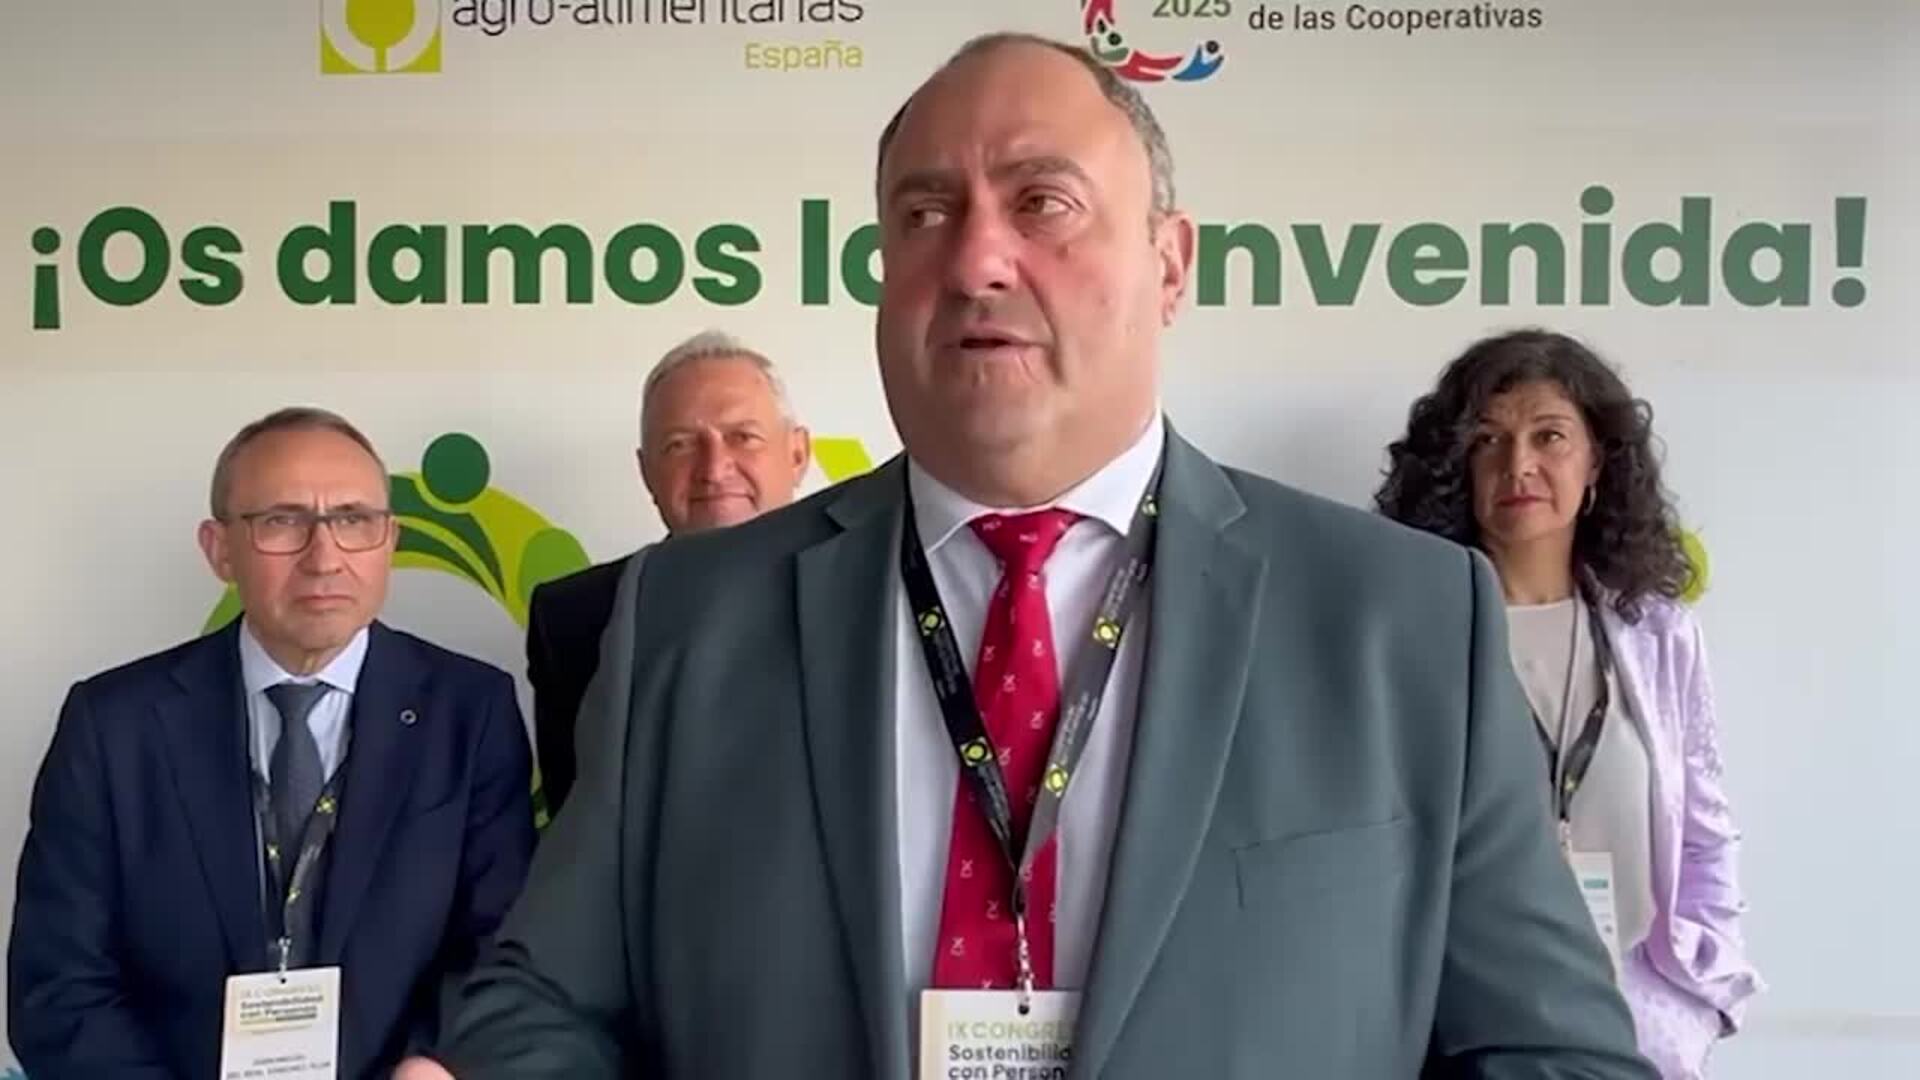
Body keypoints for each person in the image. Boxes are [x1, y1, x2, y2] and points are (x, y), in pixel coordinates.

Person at [398, 33, 1654, 1078]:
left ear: (1170, 262)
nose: (976, 258)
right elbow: (541, 1004)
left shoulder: (1402, 619)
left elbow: (1552, 1052)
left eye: (1042, 202)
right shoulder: (690, 617)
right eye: (925, 213)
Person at [7, 407, 535, 1079]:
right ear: (219, 549)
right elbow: (58, 984)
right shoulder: (114, 725)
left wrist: (434, 1063)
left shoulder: (470, 710)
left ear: (390, 540)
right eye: (283, 521)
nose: (324, 558)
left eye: (353, 520)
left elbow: (499, 945)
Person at [1374, 329, 1763, 1077]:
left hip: (1639, 1029)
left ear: (1596, 466)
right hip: (1463, 1031)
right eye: (1488, 439)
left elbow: (1704, 833)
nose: (1518, 463)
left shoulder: (1656, 633)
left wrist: (1705, 1000)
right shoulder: (1409, 634)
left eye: (1548, 435)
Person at [525, 330, 811, 814]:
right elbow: (577, 824)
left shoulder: (877, 595)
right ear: (646, 472)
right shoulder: (573, 618)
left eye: (743, 437)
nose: (713, 468)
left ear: (798, 454)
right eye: (680, 445)